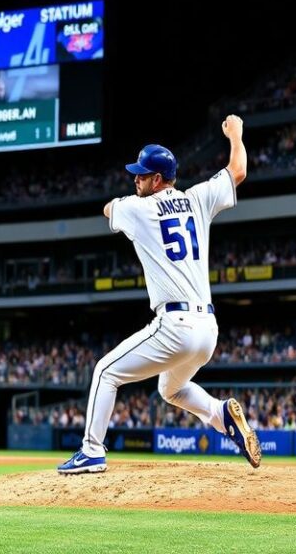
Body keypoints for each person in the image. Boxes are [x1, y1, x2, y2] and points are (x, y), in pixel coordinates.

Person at [58, 114, 261, 474]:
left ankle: (92, 450)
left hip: (176, 324)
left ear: (157, 179)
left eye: (141, 174)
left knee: (105, 371)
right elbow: (238, 170)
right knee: (171, 389)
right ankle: (220, 413)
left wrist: (120, 205)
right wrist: (236, 134)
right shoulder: (198, 198)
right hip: (208, 329)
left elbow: (108, 209)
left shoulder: (139, 208)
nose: (135, 178)